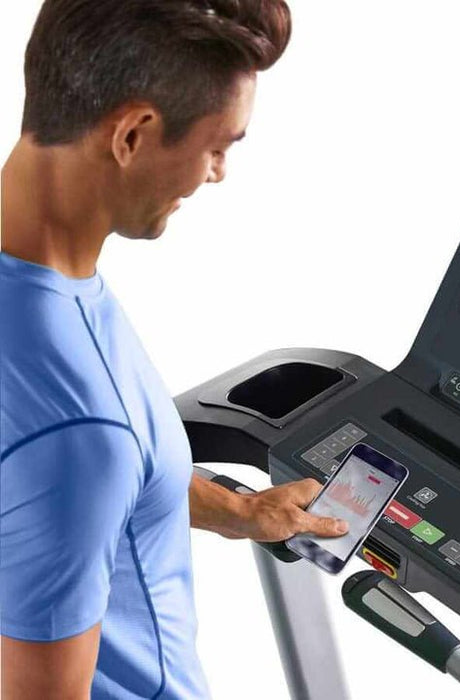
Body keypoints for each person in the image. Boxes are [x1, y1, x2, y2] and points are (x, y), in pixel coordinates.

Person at [0, 1, 349, 698]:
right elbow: (83, 458)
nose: (216, 173)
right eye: (218, 146)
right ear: (132, 134)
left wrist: (241, 512)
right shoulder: (85, 426)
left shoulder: (42, 307)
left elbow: (51, 483)